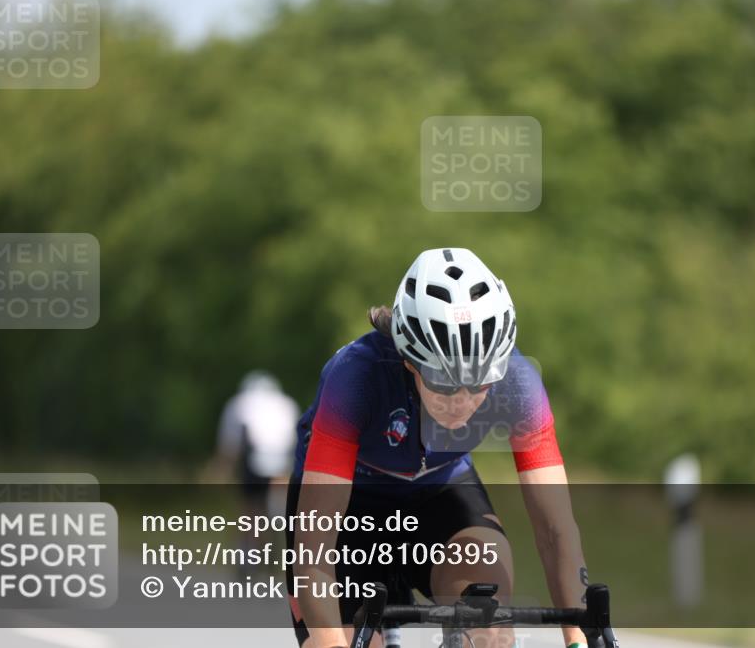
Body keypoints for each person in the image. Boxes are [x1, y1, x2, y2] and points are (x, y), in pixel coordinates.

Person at [287, 248, 590, 648]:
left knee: (489, 631)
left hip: (441, 492)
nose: (462, 400)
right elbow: (316, 547)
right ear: (410, 362)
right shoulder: (356, 378)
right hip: (349, 513)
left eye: (479, 383)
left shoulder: (518, 382)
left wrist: (578, 639)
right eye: (445, 384)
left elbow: (555, 531)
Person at [211, 371, 300, 574]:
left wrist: (221, 469)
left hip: (253, 460)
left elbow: (230, 445)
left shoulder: (238, 404)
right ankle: (277, 549)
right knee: (278, 510)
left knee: (250, 510)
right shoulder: (286, 404)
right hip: (281, 462)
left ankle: (248, 556)